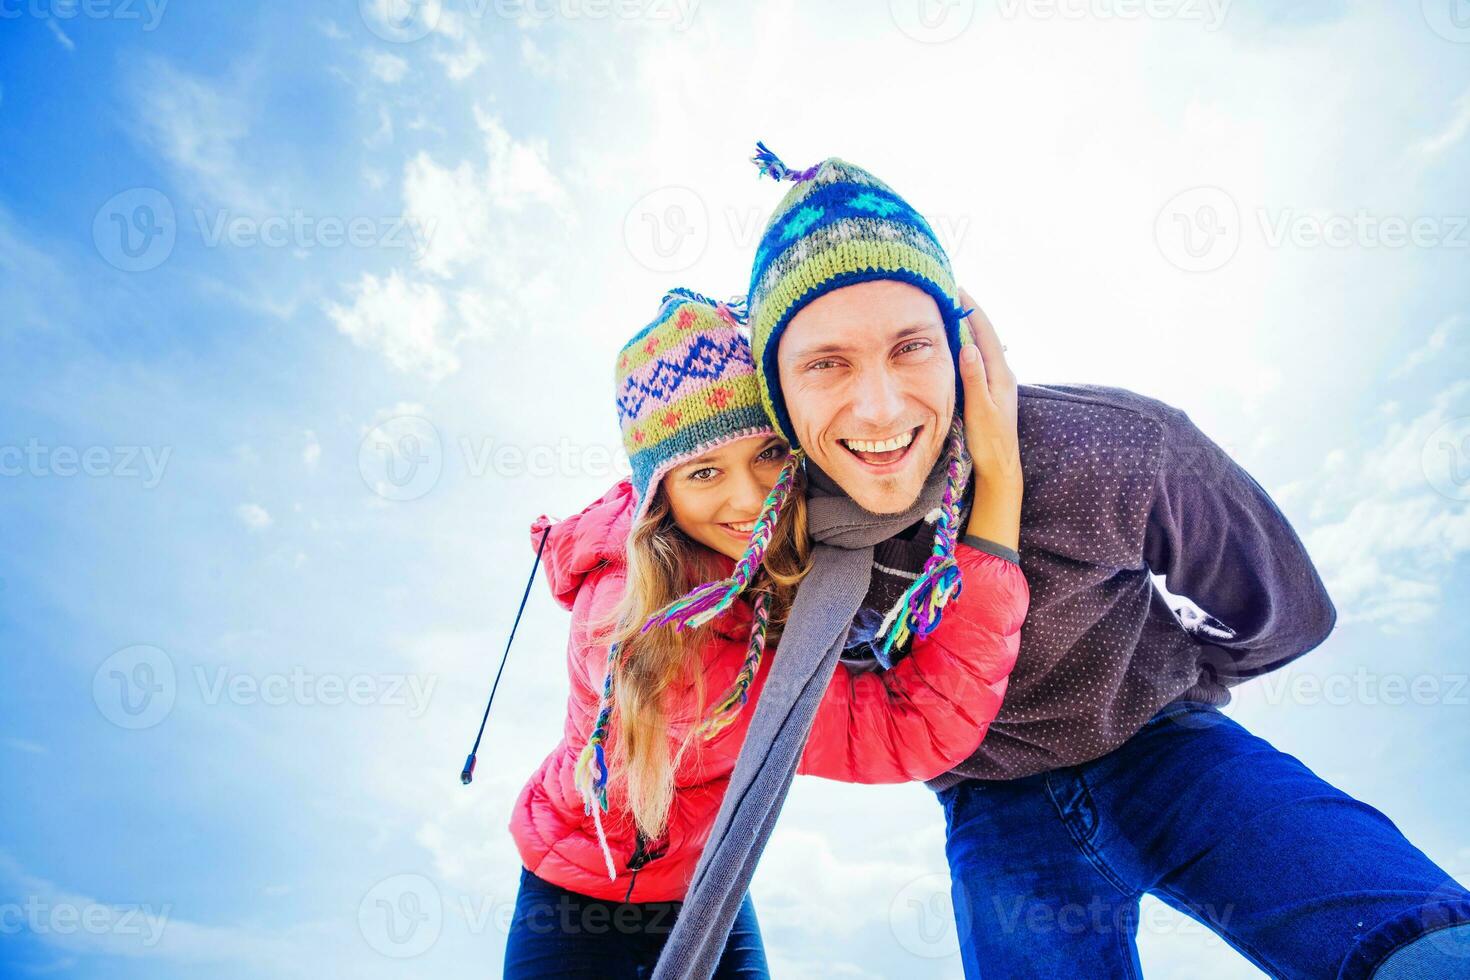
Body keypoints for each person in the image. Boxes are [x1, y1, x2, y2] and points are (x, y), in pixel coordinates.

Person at [651, 148, 1470, 980]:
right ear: (776, 388)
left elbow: (1282, 608)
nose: (881, 407)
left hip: (1173, 752)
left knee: (1409, 938)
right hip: (996, 808)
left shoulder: (1110, 449)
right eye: (826, 363)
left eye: (910, 347)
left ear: (960, 344)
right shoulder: (770, 532)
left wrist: (1177, 680)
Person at [501, 288, 1030, 979]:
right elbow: (915, 729)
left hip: (706, 887)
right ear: (659, 491)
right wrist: (1002, 490)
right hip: (569, 895)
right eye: (704, 472)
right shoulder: (645, 631)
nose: (749, 499)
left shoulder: (748, 558)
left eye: (770, 454)